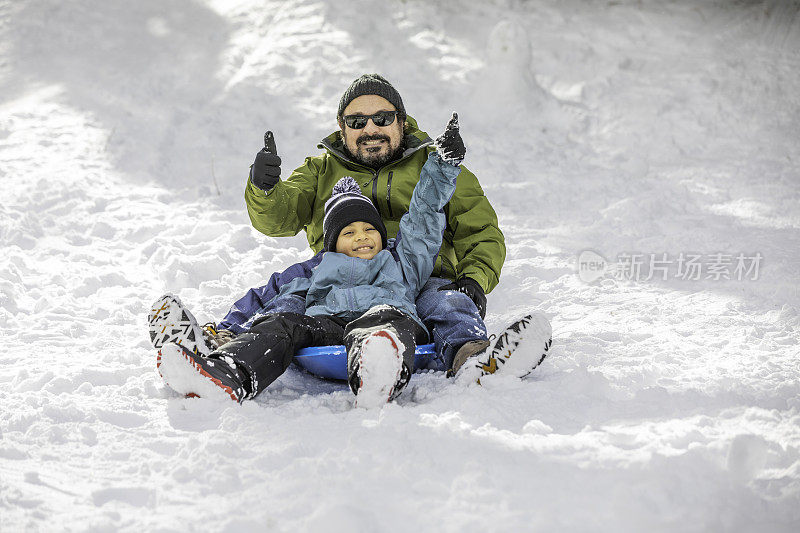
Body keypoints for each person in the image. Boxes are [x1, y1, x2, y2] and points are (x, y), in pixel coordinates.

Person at [155, 116, 465, 407]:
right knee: (281, 323)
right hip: (328, 326)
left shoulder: (401, 262)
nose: (362, 237)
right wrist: (225, 330)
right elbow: (265, 296)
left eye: (371, 229)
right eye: (349, 232)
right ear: (331, 243)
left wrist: (441, 167)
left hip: (388, 323)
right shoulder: (316, 269)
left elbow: (423, 218)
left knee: (382, 318)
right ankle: (228, 371)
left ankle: (378, 372)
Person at [245, 74, 505, 375]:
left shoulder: (436, 167)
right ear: (342, 129)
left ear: (401, 123)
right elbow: (279, 219)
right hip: (336, 280)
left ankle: (474, 359)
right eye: (356, 121)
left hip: (422, 276)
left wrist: (474, 278)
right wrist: (264, 190)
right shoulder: (320, 169)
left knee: (449, 304)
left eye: (382, 118)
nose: (370, 129)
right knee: (285, 303)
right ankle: (234, 349)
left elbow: (481, 230)